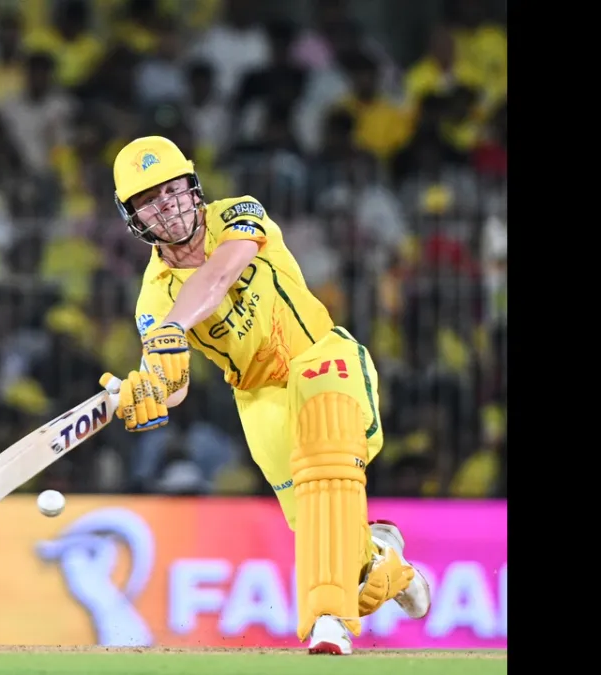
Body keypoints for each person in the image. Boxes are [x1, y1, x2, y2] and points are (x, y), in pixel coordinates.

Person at [103, 136, 432, 655]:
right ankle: (383, 560)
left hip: (322, 358)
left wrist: (172, 328)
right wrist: (149, 390)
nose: (166, 204)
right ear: (133, 217)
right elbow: (175, 382)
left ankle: (328, 623)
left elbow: (219, 274)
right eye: (149, 199)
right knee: (328, 532)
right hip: (260, 400)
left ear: (193, 185)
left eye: (172, 189)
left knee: (327, 456)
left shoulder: (238, 213)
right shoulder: (154, 296)